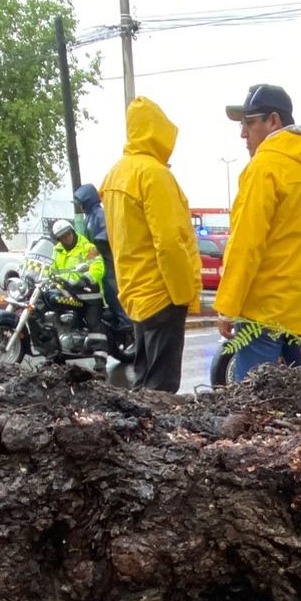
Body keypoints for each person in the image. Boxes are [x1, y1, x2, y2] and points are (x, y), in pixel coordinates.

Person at [215, 84, 301, 381]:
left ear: (273, 120)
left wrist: (227, 306)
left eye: (248, 122)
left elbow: (246, 242)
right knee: (299, 402)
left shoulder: (266, 166)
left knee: (252, 403)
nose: (243, 133)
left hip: (265, 311)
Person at [101, 97, 201, 393]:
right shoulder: (154, 175)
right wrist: (183, 294)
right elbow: (170, 242)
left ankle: (132, 435)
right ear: (158, 132)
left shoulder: (115, 175)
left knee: (144, 380)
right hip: (162, 293)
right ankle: (151, 437)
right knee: (161, 389)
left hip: (134, 293)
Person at [72, 183, 128, 330]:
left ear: (87, 200)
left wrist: (96, 248)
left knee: (113, 293)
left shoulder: (99, 214)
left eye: (80, 203)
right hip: (97, 264)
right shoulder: (88, 218)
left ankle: (126, 324)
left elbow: (106, 234)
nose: (79, 206)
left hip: (108, 262)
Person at [47, 217, 107, 337]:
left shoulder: (88, 248)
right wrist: (47, 279)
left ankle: (99, 351)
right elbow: (50, 269)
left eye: (68, 234)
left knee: (93, 324)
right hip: (67, 292)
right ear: (59, 239)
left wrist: (84, 280)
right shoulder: (56, 251)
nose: (67, 238)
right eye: (62, 237)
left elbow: (98, 267)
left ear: (73, 232)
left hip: (88, 293)